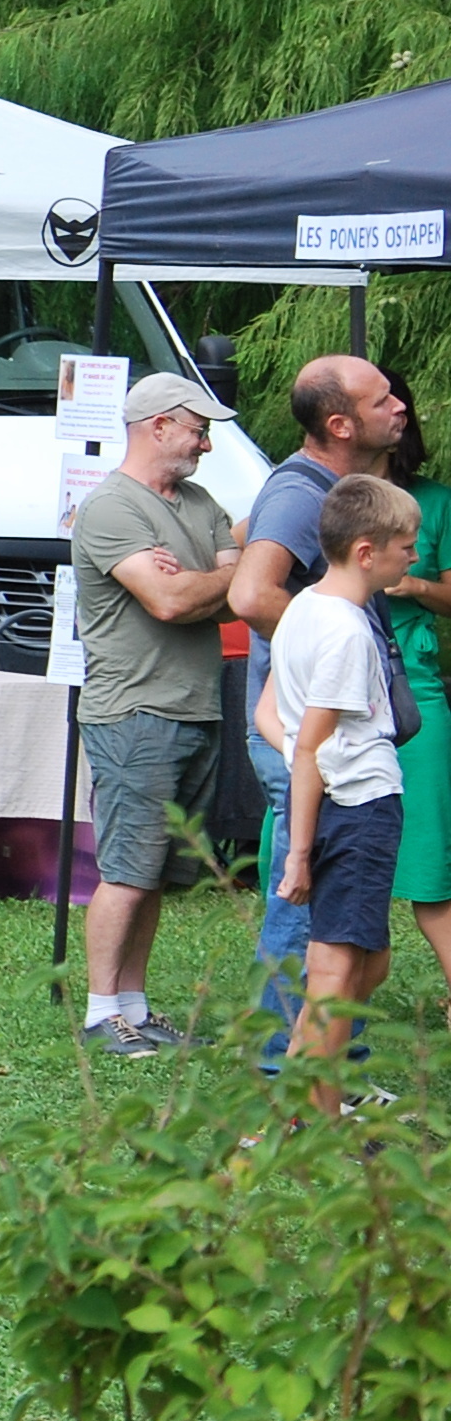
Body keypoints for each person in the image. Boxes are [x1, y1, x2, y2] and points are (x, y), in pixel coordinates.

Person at [67, 372, 245, 1057]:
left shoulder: (198, 502)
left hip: (196, 707)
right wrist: (211, 578)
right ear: (157, 426)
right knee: (127, 868)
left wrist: (204, 579)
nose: (205, 442)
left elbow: (233, 593)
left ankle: (135, 1008)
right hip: (136, 711)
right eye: (197, 428)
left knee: (162, 871)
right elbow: (170, 603)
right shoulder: (113, 508)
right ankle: (99, 1011)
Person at [232, 353, 409, 994]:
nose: (400, 408)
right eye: (382, 400)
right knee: (304, 909)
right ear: (340, 424)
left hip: (318, 732)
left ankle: (332, 1073)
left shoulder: (329, 492)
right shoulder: (299, 491)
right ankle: (285, 1074)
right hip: (308, 739)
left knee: (334, 923)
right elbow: (251, 594)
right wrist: (331, 651)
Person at [273, 471, 419, 1102]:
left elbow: (272, 713)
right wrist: (299, 854)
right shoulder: (346, 632)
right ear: (367, 551)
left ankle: (304, 1101)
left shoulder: (303, 608)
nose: (414, 557)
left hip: (351, 804)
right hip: (357, 808)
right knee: (334, 969)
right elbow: (309, 744)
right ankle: (314, 1110)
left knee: (368, 962)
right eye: (406, 546)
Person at [386, 380, 451, 978]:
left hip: (418, 688)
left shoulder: (437, 501)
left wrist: (415, 587)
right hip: (340, 690)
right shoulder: (325, 490)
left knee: (431, 857)